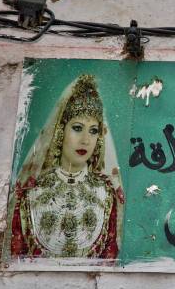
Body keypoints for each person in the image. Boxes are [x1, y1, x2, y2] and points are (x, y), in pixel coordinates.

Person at [9, 74, 124, 259]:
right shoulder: (30, 193)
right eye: (77, 128)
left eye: (93, 131)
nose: (85, 140)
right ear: (60, 132)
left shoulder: (107, 194)